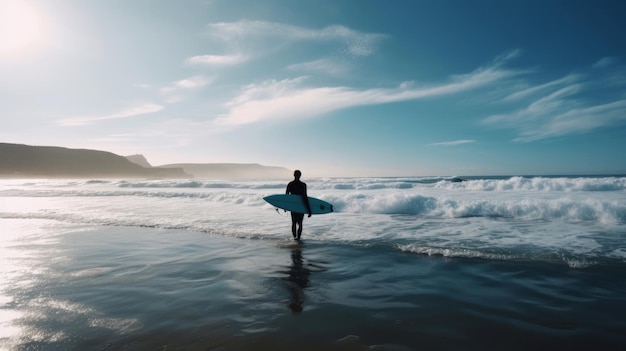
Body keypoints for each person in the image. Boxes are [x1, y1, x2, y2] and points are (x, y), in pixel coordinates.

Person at [286, 170, 312, 240]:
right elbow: (305, 197)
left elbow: (286, 197)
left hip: (293, 206)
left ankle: (294, 238)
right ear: (300, 175)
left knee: (294, 222)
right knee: (300, 223)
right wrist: (309, 210)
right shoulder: (303, 185)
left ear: (294, 175)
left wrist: (285, 207)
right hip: (301, 206)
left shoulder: (290, 184)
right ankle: (298, 238)